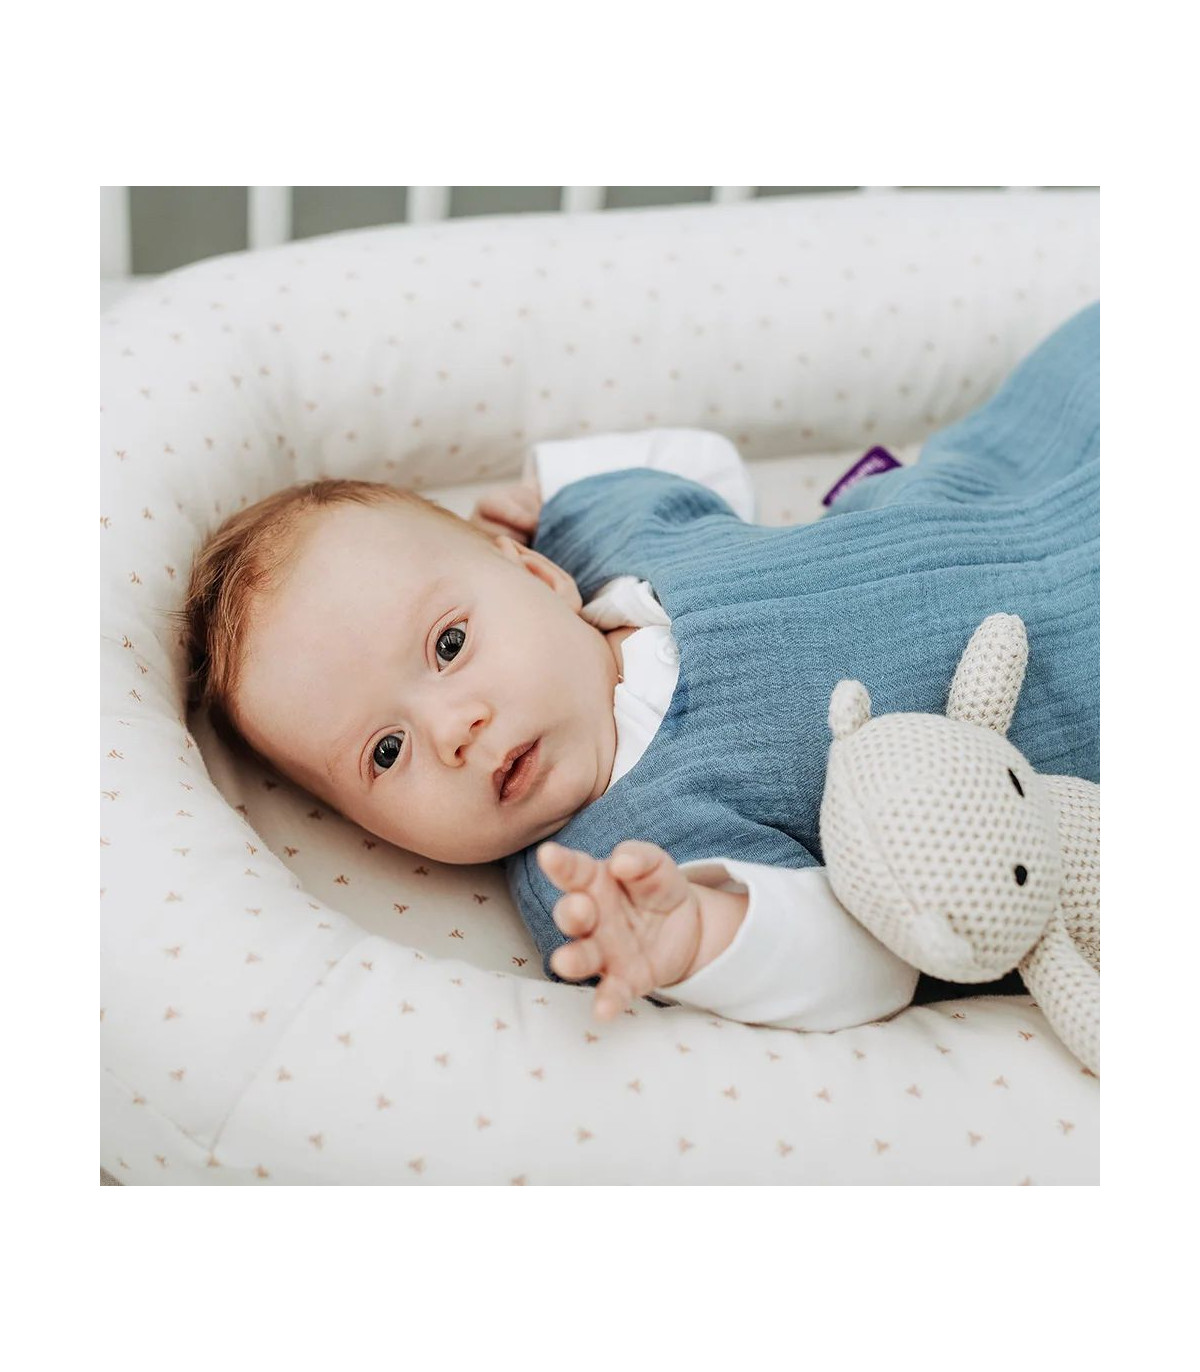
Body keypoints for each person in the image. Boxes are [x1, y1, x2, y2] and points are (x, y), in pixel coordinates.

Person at [181, 304, 1099, 1032]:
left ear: (533, 574)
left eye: (450, 646)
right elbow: (874, 962)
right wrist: (704, 937)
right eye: (385, 753)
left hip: (998, 484)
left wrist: (550, 489)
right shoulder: (611, 873)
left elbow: (703, 468)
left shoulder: (601, 549)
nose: (452, 730)